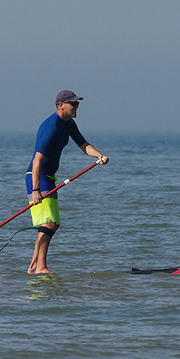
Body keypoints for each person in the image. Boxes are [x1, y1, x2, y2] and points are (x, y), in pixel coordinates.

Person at [25, 90, 109, 274]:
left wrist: (99, 155)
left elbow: (84, 145)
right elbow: (38, 159)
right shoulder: (51, 126)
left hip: (48, 178)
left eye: (77, 103)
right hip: (36, 177)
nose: (77, 106)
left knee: (53, 223)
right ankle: (40, 267)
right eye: (73, 104)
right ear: (61, 105)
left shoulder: (69, 124)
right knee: (48, 223)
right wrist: (36, 189)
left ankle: (33, 266)